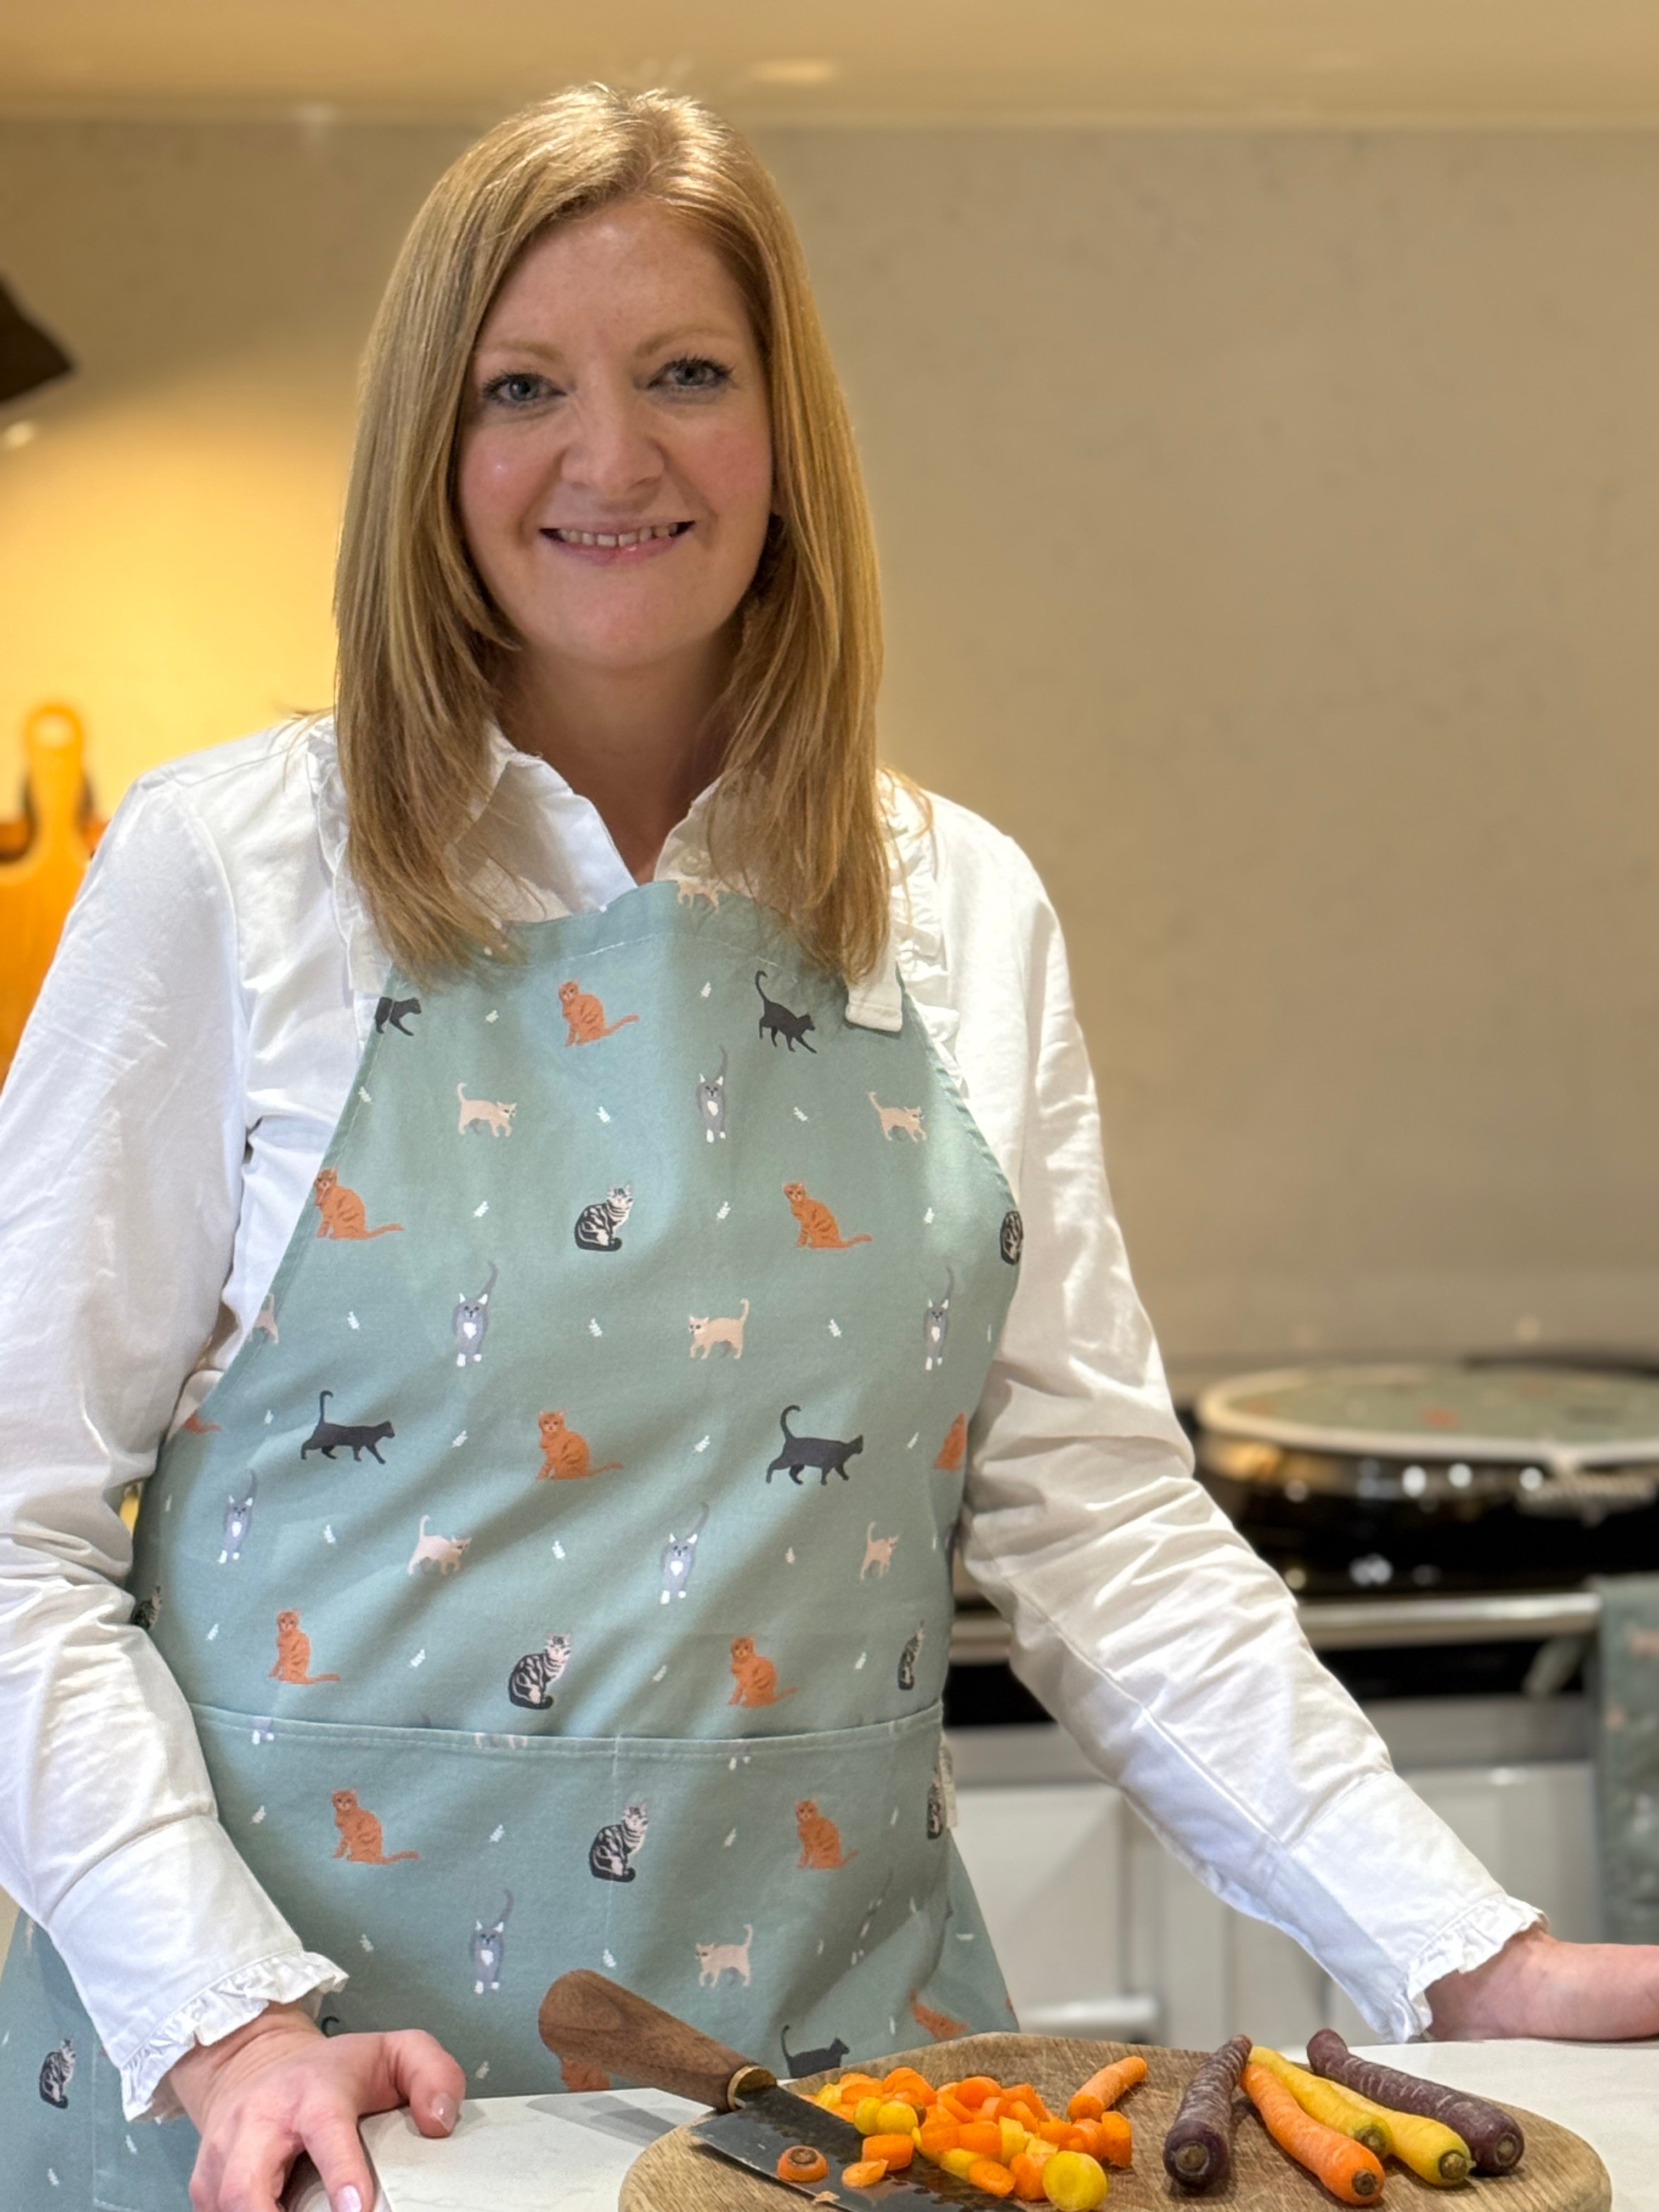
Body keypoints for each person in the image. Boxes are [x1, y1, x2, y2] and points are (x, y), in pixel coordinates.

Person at [1, 82, 1655, 2212]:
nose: (615, 457)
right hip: (295, 2131)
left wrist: (1466, 1952)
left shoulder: (960, 910)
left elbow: (1098, 1532)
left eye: (688, 373)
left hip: (843, 2132)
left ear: (788, 442)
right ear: (431, 446)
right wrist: (225, 2019)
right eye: (525, 388)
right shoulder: (223, 880)